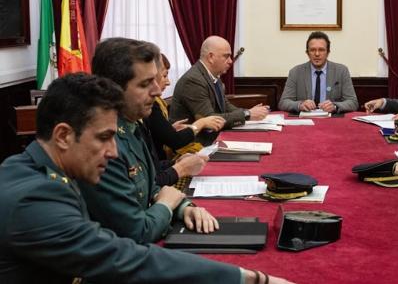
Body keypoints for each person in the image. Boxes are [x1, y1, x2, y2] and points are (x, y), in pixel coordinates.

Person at [0, 73, 292, 284]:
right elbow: (124, 259)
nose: (113, 152)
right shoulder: (33, 199)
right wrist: (249, 279)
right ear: (63, 135)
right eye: (104, 138)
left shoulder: (35, 167)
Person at [81, 37, 217, 244]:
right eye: (145, 83)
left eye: (156, 79)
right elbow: (136, 233)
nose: (156, 90)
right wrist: (166, 206)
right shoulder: (104, 143)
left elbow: (151, 188)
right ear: (113, 88)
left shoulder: (133, 125)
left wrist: (183, 208)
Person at [143, 53, 225, 186]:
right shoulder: (193, 80)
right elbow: (175, 141)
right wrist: (200, 124)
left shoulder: (216, 80)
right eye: (164, 75)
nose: (168, 82)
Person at [170, 36, 269, 144]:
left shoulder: (213, 76)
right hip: (196, 144)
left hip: (212, 137)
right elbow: (210, 119)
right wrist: (247, 114)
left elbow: (226, 106)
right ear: (211, 57)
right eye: (226, 56)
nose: (230, 61)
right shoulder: (193, 80)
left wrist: (250, 113)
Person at [278, 31, 358, 113]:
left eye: (321, 50)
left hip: (331, 120)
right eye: (312, 50)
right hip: (305, 120)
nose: (317, 54)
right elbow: (283, 102)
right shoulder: (295, 72)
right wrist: (300, 105)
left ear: (328, 52)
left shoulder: (341, 71)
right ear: (307, 53)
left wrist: (335, 106)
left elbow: (353, 102)